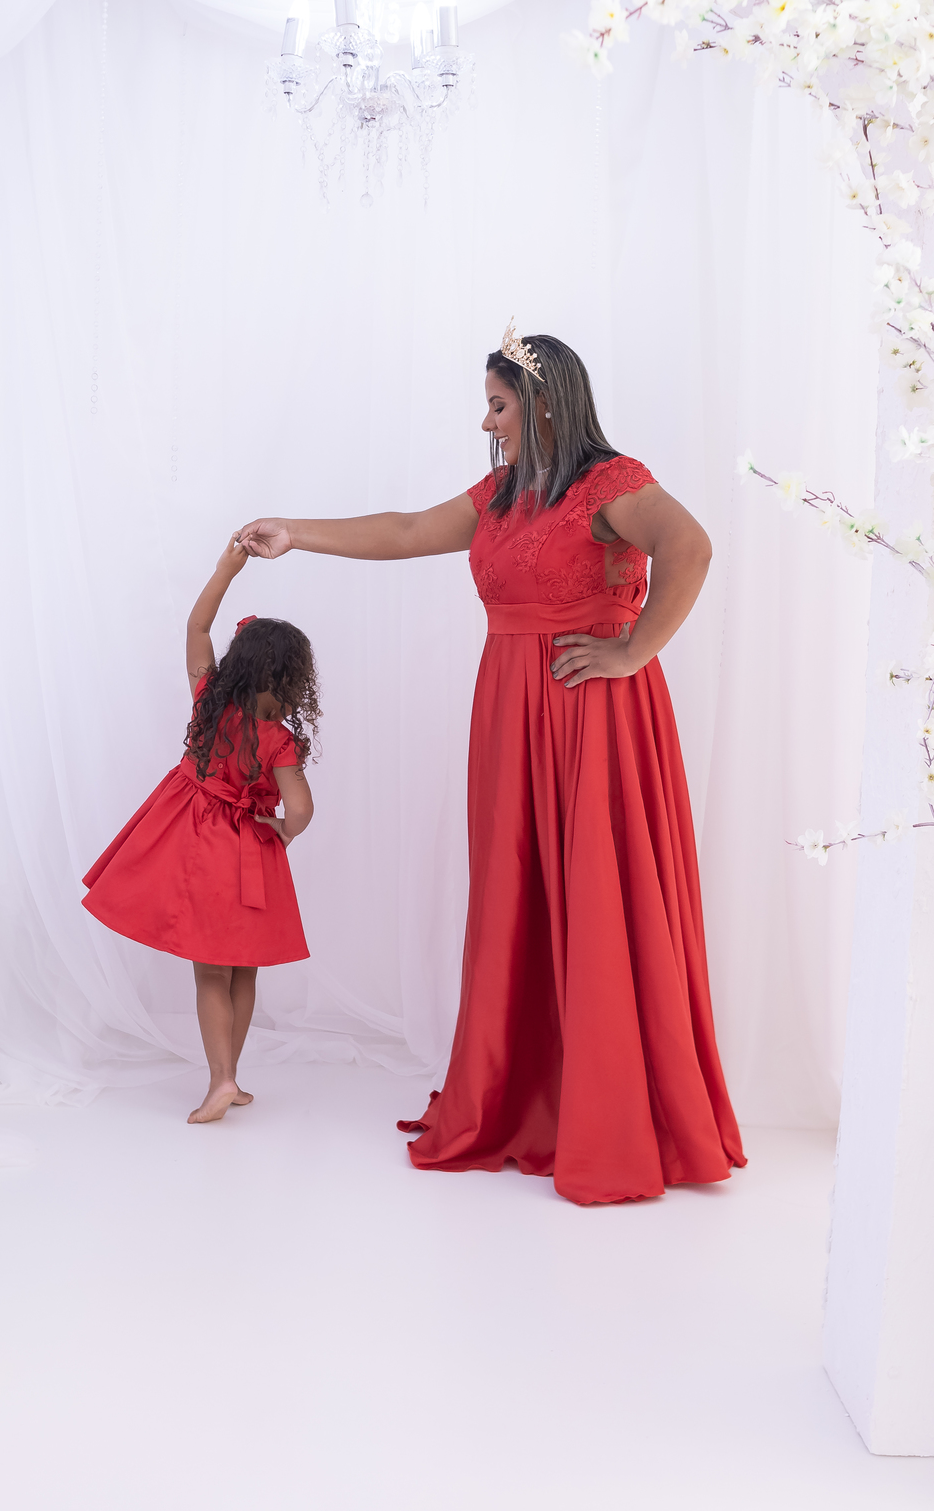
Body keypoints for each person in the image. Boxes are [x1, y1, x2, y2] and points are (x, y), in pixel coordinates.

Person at [237, 327, 745, 1205]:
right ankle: (532, 1094)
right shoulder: (505, 493)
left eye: (499, 405)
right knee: (519, 896)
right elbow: (403, 530)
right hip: (511, 715)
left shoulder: (611, 483)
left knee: (594, 896)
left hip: (593, 717)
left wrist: (633, 652)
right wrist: (297, 533)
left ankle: (618, 1111)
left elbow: (690, 547)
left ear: (545, 404)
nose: (487, 420)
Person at [82, 537, 320, 1124]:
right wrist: (281, 831)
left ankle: (222, 1080)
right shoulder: (279, 740)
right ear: (292, 679)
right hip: (249, 851)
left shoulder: (209, 699)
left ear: (239, 662)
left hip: (197, 841)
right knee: (243, 968)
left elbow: (197, 623)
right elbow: (302, 807)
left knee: (209, 970)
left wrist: (227, 568)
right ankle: (230, 1077)